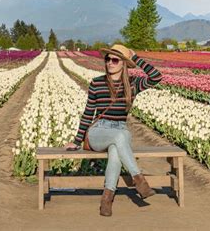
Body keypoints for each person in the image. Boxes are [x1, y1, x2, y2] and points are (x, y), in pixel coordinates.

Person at [64, 44, 163, 217]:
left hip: (120, 131)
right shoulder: (97, 83)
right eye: (108, 59)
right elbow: (88, 113)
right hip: (98, 132)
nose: (110, 62)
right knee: (121, 136)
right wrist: (78, 140)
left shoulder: (132, 84)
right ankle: (139, 179)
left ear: (124, 63)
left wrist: (136, 58)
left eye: (115, 60)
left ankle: (106, 200)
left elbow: (156, 77)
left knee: (117, 150)